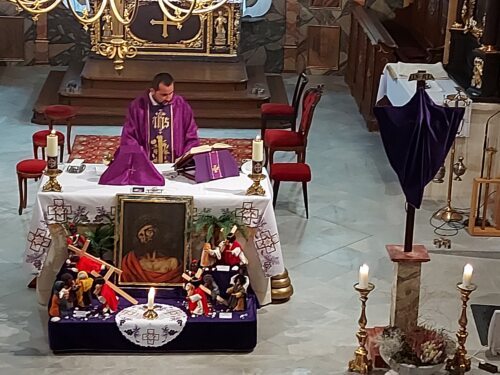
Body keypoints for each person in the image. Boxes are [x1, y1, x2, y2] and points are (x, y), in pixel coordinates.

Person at [119, 72, 200, 163]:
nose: (169, 98)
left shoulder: (180, 105)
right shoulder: (138, 106)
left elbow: (191, 134)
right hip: (146, 165)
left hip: (176, 163)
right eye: (164, 95)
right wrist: (140, 160)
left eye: (171, 93)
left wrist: (184, 159)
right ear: (153, 91)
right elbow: (129, 136)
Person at [120, 216, 183, 284]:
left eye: (149, 232)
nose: (145, 238)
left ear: (159, 232)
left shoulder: (172, 262)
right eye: (141, 235)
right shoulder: (130, 262)